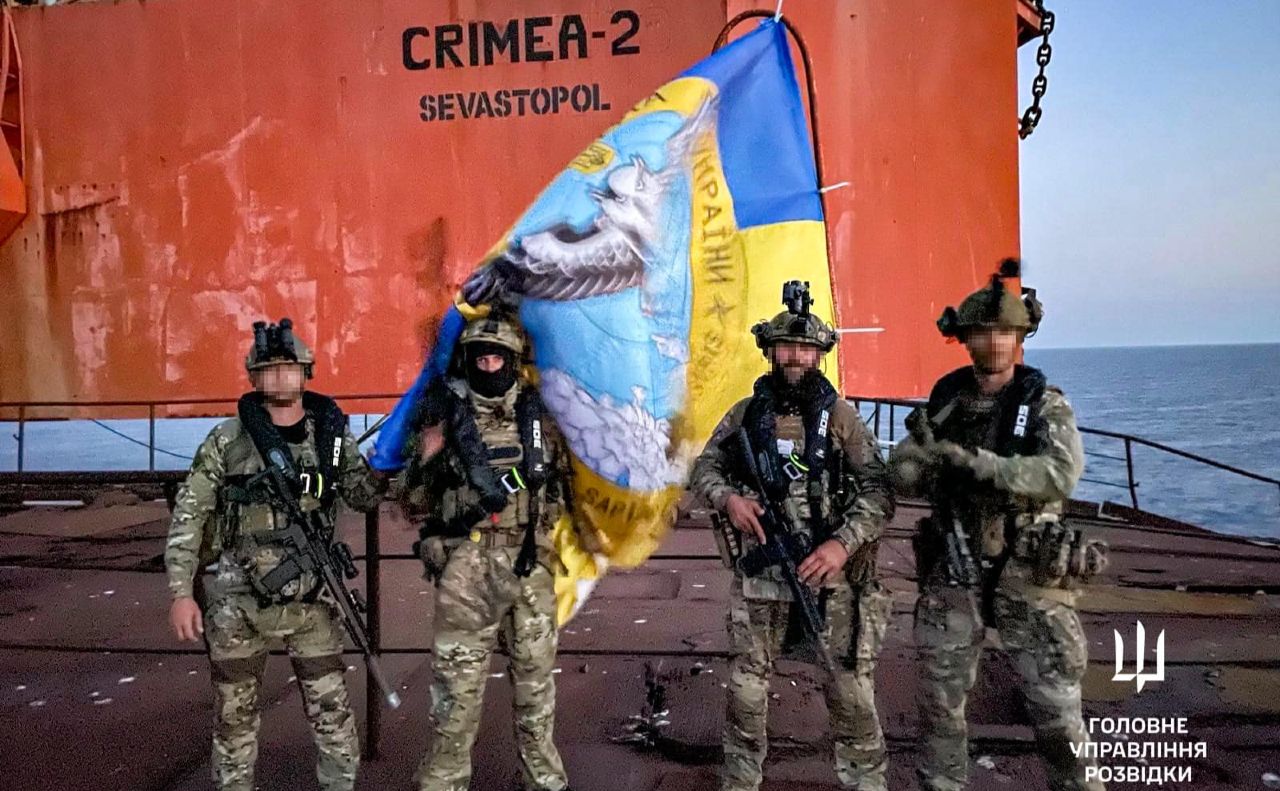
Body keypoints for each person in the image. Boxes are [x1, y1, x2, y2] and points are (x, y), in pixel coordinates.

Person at [890, 259, 1107, 791]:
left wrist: (982, 465)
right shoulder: (947, 403)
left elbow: (1061, 474)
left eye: (1005, 333)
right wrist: (927, 467)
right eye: (982, 333)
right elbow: (901, 469)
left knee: (1055, 709)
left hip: (1027, 567)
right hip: (954, 565)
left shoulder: (1043, 405)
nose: (993, 343)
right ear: (965, 339)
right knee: (940, 705)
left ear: (1020, 338)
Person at [689, 281, 895, 791]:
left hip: (829, 581)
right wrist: (729, 500)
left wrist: (842, 543)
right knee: (747, 689)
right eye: (786, 348)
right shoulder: (745, 415)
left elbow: (879, 490)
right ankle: (741, 780)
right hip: (762, 580)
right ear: (771, 351)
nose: (796, 357)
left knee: (850, 691)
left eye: (806, 349)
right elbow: (704, 468)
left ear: (820, 355)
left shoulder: (841, 419)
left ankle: (866, 781)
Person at [165, 317, 386, 791]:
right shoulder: (227, 440)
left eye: (288, 368)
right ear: (254, 377)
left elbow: (364, 496)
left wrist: (393, 459)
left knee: (333, 717)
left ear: (305, 373)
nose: (280, 377)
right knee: (234, 720)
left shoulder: (332, 437)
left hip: (313, 600)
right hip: (239, 601)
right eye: (268, 370)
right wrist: (181, 592)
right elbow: (190, 514)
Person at [402, 312, 574, 791]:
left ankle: (544, 781)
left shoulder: (540, 419)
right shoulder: (443, 417)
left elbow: (562, 488)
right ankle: (444, 781)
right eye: (481, 357)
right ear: (468, 360)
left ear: (513, 361)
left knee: (536, 691)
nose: (490, 365)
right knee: (456, 698)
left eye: (498, 357)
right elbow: (411, 502)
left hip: (529, 565)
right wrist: (428, 456)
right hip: (468, 568)